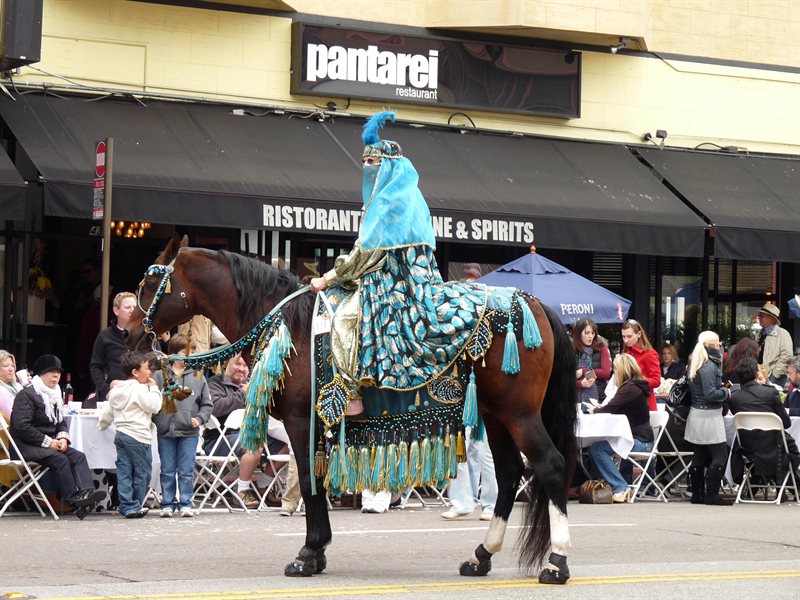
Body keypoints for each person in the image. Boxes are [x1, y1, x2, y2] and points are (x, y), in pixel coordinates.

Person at [309, 111, 483, 417]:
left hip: (392, 283)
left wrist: (330, 277)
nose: (367, 169)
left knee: (345, 320)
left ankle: (351, 393)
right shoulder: (409, 198)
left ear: (388, 166)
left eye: (373, 163)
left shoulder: (389, 203)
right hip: (412, 279)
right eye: (364, 163)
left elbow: (366, 254)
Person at [9, 354, 105, 519]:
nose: (56, 376)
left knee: (78, 456)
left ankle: (86, 497)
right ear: (40, 374)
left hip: (48, 444)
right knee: (60, 459)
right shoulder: (27, 395)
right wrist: (48, 442)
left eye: (58, 373)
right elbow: (21, 427)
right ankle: (73, 501)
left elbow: (60, 422)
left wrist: (62, 438)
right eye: (51, 372)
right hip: (25, 445)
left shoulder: (55, 394)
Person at [206, 354, 286, 509]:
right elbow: (216, 408)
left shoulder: (253, 384)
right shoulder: (214, 383)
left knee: (290, 445)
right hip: (221, 437)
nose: (242, 369)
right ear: (227, 365)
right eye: (238, 364)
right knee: (253, 444)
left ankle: (264, 486)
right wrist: (243, 394)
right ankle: (242, 491)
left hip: (256, 432)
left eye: (245, 366)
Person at [153, 334, 213, 518]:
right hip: (165, 430)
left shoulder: (199, 376)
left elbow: (207, 404)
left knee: (186, 469)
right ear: (173, 354)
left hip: (190, 431)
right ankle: (167, 503)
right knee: (168, 469)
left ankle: (186, 502)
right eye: (185, 352)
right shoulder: (159, 375)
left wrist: (200, 419)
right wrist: (159, 419)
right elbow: (153, 401)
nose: (189, 356)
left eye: (192, 352)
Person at [98, 351, 163, 519]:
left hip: (121, 434)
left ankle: (125, 504)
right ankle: (134, 505)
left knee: (124, 471)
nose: (149, 372)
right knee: (143, 473)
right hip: (138, 436)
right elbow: (154, 406)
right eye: (146, 369)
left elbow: (108, 412)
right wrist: (155, 389)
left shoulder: (117, 390)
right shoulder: (140, 389)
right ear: (135, 372)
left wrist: (102, 425)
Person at [586, 353, 654, 503]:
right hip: (640, 438)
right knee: (598, 447)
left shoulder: (629, 388)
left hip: (640, 442)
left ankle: (620, 487)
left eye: (615, 370)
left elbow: (610, 407)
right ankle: (616, 485)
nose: (613, 373)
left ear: (622, 370)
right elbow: (614, 407)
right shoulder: (634, 386)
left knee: (597, 449)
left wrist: (595, 410)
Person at [728, 358, 800, 485]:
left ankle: (761, 479)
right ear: (757, 374)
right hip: (773, 444)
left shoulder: (734, 399)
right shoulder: (770, 392)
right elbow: (786, 423)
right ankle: (787, 483)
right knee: (791, 451)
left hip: (747, 447)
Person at [685, 331, 732, 506]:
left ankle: (697, 494)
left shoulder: (696, 363)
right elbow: (711, 394)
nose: (720, 346)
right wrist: (726, 392)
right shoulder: (709, 366)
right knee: (720, 455)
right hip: (709, 415)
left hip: (696, 413)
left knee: (700, 453)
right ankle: (711, 494)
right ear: (712, 345)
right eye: (718, 343)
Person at [89, 291, 138, 405]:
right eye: (127, 307)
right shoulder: (105, 336)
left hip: (139, 397)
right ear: (116, 311)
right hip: (113, 397)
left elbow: (156, 364)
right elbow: (95, 367)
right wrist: (106, 391)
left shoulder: (146, 335)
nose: (132, 310)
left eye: (134, 307)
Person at [441, 430, 498, 520]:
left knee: (485, 455)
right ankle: (462, 503)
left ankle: (491, 506)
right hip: (465, 416)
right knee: (460, 451)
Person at [620, 319, 660, 411]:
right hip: (627, 399)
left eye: (629, 336)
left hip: (644, 401)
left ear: (639, 334)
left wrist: (638, 381)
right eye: (623, 336)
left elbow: (656, 381)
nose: (626, 340)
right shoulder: (625, 352)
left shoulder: (650, 353)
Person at [571, 318, 612, 403]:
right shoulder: (571, 350)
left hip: (598, 397)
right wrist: (581, 384)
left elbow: (606, 373)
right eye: (587, 333)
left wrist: (584, 371)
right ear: (579, 333)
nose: (590, 336)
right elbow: (565, 379)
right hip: (575, 399)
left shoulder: (601, 347)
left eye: (593, 333)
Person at [756, 303, 793, 390]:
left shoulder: (783, 333)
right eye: (759, 315)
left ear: (771, 318)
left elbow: (787, 356)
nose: (759, 318)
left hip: (775, 377)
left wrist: (775, 375)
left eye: (762, 315)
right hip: (760, 376)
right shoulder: (759, 334)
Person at [0, 350, 23, 420]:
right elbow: (13, 416)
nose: (11, 369)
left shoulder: (18, 386)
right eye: (6, 366)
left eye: (12, 366)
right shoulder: (1, 390)